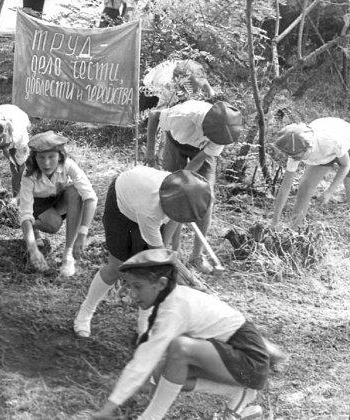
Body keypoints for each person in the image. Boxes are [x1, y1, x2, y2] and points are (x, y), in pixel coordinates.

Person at [90, 248, 269, 420]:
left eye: (138, 286)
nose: (133, 295)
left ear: (161, 284)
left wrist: (109, 407)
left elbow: (144, 360)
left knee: (180, 349)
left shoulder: (174, 309)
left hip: (251, 362)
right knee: (161, 371)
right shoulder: (169, 300)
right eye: (130, 287)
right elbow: (151, 360)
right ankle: (238, 392)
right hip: (231, 354)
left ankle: (151, 417)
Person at [73, 168, 211, 338]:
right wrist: (188, 284)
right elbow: (161, 257)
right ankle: (86, 311)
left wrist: (186, 278)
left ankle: (144, 324)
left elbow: (173, 225)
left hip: (144, 199)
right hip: (121, 203)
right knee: (116, 267)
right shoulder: (151, 210)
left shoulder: (181, 195)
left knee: (150, 272)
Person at [146, 100, 242, 274]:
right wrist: (150, 151)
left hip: (201, 154)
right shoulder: (183, 115)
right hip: (175, 144)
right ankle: (165, 251)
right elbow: (153, 116)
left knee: (207, 198)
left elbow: (200, 159)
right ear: (206, 127)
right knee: (174, 196)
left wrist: (186, 182)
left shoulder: (223, 132)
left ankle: (196, 256)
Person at [19, 131, 98, 277]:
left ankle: (68, 255)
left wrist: (82, 234)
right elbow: (25, 212)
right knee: (54, 225)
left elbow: (90, 197)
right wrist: (32, 249)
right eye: (41, 157)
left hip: (58, 197)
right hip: (38, 204)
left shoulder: (68, 165)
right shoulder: (28, 174)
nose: (46, 163)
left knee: (75, 192)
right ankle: (33, 229)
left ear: (60, 156)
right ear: (34, 158)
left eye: (51, 157)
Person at [272, 118, 350, 229]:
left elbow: (345, 165)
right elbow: (285, 187)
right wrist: (275, 221)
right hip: (324, 154)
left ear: (308, 146)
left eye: (298, 156)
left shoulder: (330, 142)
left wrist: (329, 192)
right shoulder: (294, 151)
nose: (296, 159)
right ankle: (294, 231)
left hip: (344, 143)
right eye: (293, 157)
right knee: (304, 188)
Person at [139, 59, 216, 113]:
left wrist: (213, 101)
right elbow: (157, 113)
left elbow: (205, 85)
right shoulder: (165, 82)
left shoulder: (193, 71)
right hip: (150, 91)